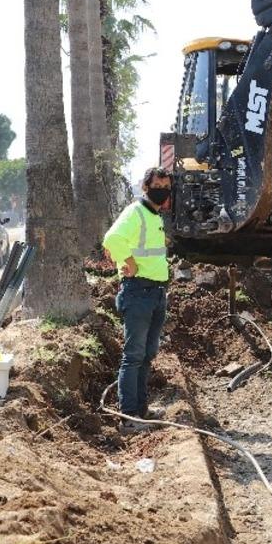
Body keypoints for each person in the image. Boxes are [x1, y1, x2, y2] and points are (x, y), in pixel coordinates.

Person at [102, 167, 172, 433]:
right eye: (157, 186)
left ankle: (141, 410)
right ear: (146, 187)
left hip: (155, 293)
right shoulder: (136, 212)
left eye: (166, 187)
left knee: (147, 354)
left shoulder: (154, 216)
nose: (162, 191)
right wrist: (127, 260)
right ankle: (128, 416)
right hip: (138, 292)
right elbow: (112, 238)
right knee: (133, 356)